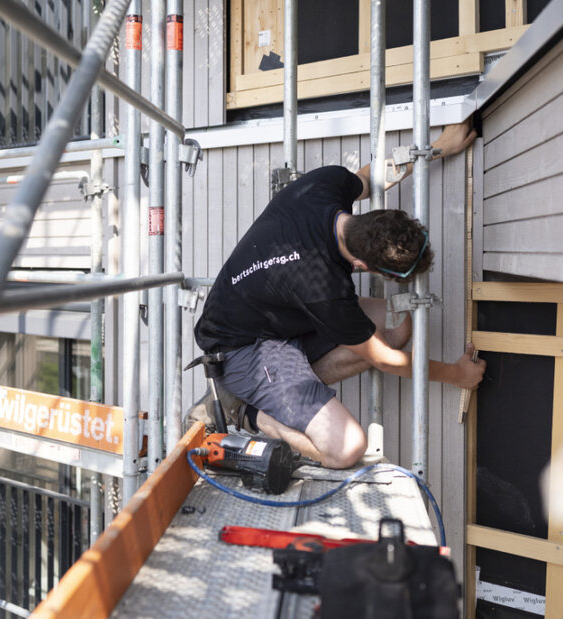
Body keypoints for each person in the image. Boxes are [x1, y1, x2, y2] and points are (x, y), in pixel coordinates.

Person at [190, 120, 486, 469]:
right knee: (346, 448)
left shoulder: (324, 185)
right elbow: (384, 360)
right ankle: (245, 410)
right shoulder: (326, 291)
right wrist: (456, 374)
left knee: (396, 328)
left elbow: (370, 175)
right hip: (242, 350)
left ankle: (287, 391)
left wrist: (438, 146)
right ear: (363, 264)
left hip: (276, 318)